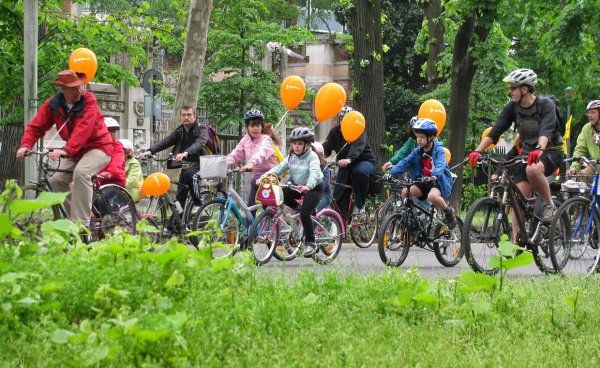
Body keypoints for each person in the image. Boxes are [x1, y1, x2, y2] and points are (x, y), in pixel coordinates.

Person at [17, 70, 113, 226]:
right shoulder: (52, 104)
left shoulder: (89, 100)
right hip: (76, 151)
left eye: (79, 87)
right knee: (56, 179)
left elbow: (84, 128)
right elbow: (36, 127)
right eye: (73, 88)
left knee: (82, 172)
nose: (78, 91)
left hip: (99, 147)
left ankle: (82, 225)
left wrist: (66, 150)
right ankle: (72, 219)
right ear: (63, 89)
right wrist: (26, 145)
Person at [468, 68, 563, 221]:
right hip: (527, 154)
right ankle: (516, 242)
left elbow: (545, 132)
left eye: (513, 88)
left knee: (532, 170)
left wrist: (539, 149)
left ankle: (550, 204)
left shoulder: (545, 105)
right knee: (517, 200)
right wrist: (478, 151)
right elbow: (495, 131)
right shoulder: (513, 107)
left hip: (550, 151)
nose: (510, 91)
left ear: (524, 89)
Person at [260, 127, 323, 256]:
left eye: (300, 144)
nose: (296, 147)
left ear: (307, 144)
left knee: (305, 214)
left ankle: (311, 242)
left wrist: (309, 186)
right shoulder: (291, 157)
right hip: (298, 187)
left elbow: (315, 173)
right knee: (281, 192)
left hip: (314, 188)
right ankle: (300, 209)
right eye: (294, 143)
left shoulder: (312, 157)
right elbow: (278, 169)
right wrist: (264, 178)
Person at [389, 118, 457, 229]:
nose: (418, 140)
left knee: (432, 196)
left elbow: (441, 164)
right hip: (423, 180)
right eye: (417, 137)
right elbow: (405, 162)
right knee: (405, 192)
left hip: (437, 180)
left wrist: (435, 175)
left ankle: (448, 212)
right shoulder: (417, 151)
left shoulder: (439, 150)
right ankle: (414, 219)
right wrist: (391, 173)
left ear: (430, 137)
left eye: (421, 137)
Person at [139, 106, 208, 207]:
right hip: (186, 166)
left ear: (195, 116)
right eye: (183, 115)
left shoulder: (201, 129)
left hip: (201, 164)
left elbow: (200, 143)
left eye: (189, 115)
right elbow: (166, 141)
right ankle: (176, 221)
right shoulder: (180, 131)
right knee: (180, 197)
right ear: (180, 117)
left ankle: (199, 206)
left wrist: (186, 152)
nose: (186, 117)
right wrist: (150, 151)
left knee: (191, 176)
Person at [322, 106, 375, 219]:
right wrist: (318, 153)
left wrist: (349, 159)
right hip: (344, 165)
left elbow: (358, 147)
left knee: (359, 172)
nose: (344, 122)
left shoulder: (359, 130)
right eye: (342, 119)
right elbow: (327, 147)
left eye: (347, 119)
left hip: (363, 161)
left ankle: (360, 206)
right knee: (338, 193)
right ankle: (340, 223)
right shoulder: (335, 131)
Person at [227, 109, 280, 206]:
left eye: (258, 125)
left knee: (266, 208)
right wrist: (222, 164)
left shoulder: (266, 139)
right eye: (252, 125)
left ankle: (269, 217)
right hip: (256, 178)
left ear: (261, 126)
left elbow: (261, 153)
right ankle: (251, 221)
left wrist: (251, 163)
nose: (255, 128)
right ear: (247, 127)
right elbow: (235, 154)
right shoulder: (245, 140)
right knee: (250, 209)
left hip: (272, 175)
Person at [567, 100, 600, 176]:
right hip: (595, 166)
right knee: (575, 178)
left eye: (593, 112)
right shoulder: (587, 128)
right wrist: (574, 167)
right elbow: (580, 149)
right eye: (588, 113)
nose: (589, 115)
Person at [96, 117, 126, 187]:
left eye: (114, 131)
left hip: (115, 181)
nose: (112, 133)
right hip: (99, 180)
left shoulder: (117, 145)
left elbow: (117, 161)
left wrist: (110, 173)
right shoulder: (98, 145)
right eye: (109, 130)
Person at [313, 141, 332, 211]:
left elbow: (322, 185)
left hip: (324, 195)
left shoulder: (324, 169)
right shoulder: (306, 166)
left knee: (313, 210)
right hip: (308, 195)